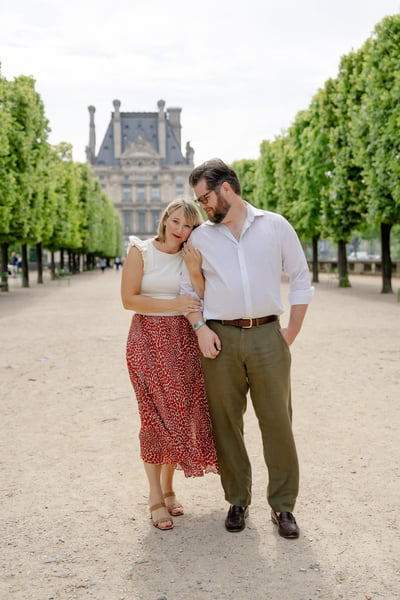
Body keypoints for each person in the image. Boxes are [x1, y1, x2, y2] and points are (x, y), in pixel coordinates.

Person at [181, 159, 314, 538]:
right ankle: (237, 499)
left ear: (226, 189)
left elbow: (302, 277)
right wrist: (200, 328)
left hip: (269, 335)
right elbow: (189, 291)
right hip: (219, 338)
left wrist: (290, 331)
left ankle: (283, 506)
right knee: (226, 423)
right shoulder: (200, 238)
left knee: (278, 423)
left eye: (205, 197)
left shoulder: (275, 225)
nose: (201, 207)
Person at [121, 198, 218, 531]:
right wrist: (173, 302)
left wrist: (194, 272)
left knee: (177, 416)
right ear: (165, 220)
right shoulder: (140, 251)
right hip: (147, 339)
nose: (181, 230)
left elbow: (205, 299)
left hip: (182, 340)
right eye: (176, 222)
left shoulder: (191, 256)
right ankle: (155, 497)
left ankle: (170, 487)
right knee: (153, 418)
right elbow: (128, 299)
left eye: (189, 225)